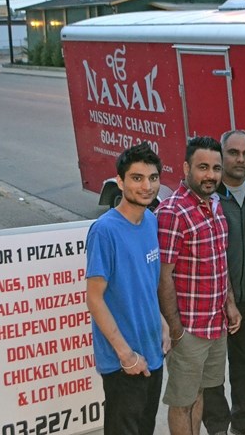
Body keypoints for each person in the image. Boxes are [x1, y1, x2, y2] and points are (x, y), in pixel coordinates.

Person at [156, 136, 242, 435]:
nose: (211, 175)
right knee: (182, 401)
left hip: (215, 325)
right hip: (189, 330)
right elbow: (162, 276)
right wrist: (176, 329)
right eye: (202, 167)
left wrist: (229, 303)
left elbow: (220, 262)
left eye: (216, 168)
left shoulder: (214, 207)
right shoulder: (172, 212)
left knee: (200, 393)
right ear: (185, 168)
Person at [85, 142, 170, 435]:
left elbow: (144, 284)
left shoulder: (150, 220)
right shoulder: (105, 230)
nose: (147, 186)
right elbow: (94, 299)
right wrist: (125, 355)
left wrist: (162, 324)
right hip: (125, 362)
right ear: (119, 182)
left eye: (153, 177)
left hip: (152, 353)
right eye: (137, 178)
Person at [202, 130, 245, 435]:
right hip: (212, 300)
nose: (240, 159)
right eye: (233, 152)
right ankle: (218, 426)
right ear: (221, 155)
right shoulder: (208, 196)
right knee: (213, 371)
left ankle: (242, 417)